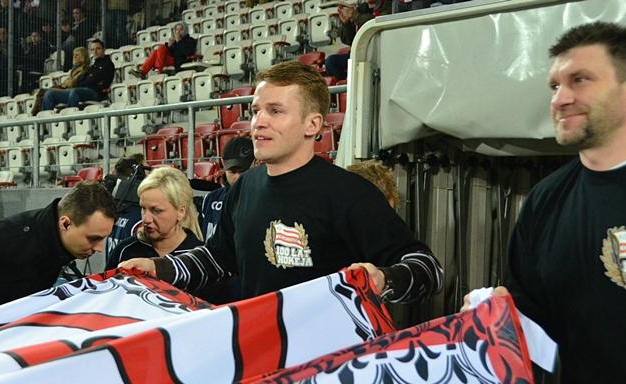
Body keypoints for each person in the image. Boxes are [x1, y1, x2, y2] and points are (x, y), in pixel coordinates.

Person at [463, 22, 626, 384]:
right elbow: (537, 317)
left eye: (580, 80)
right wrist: (499, 313)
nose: (560, 98)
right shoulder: (546, 201)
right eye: (554, 85)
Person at [121, 61, 443, 304]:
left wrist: (385, 279)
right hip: (262, 357)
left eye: (276, 111)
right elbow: (218, 258)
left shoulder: (349, 194)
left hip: (328, 370)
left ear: (312, 124)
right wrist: (159, 268)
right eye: (256, 110)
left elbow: (429, 269)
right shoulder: (245, 188)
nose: (259, 122)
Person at [0, 181, 116, 323]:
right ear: (65, 224)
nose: (100, 248)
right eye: (93, 238)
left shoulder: (52, 242)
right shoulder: (9, 238)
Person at [105, 167, 203, 270]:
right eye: (143, 208)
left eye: (156, 211)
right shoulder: (125, 250)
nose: (146, 219)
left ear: (180, 212)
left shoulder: (200, 258)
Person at [200, 136, 255, 241]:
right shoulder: (211, 199)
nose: (238, 177)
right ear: (224, 165)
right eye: (232, 172)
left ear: (256, 163)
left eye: (243, 171)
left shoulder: (266, 199)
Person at [41, 39, 115, 111]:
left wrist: (86, 80)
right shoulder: (93, 66)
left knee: (75, 92)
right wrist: (87, 80)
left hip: (96, 93)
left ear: (104, 49)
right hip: (81, 91)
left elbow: (92, 80)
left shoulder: (107, 65)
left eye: (98, 49)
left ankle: (69, 119)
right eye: (92, 49)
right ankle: (45, 122)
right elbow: (82, 80)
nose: (95, 52)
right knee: (50, 94)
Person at [324, 0, 373, 81]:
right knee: (331, 61)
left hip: (369, 53)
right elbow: (350, 41)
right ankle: (345, 84)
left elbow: (371, 20)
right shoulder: (358, 12)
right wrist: (346, 23)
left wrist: (355, 15)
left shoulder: (367, 12)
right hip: (355, 54)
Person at [31, 47, 89, 115]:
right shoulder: (74, 69)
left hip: (71, 91)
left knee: (49, 93)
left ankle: (38, 114)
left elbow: (72, 82)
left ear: (83, 57)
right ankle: (39, 114)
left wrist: (62, 85)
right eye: (74, 55)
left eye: (77, 55)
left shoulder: (84, 69)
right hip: (67, 89)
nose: (74, 57)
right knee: (42, 92)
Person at [131, 22, 195, 79]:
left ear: (185, 30)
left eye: (181, 29)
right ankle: (151, 71)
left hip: (180, 60)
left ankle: (145, 72)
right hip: (170, 59)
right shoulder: (174, 41)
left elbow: (187, 52)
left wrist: (179, 41)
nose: (178, 31)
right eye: (176, 29)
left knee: (159, 50)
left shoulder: (190, 40)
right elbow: (170, 52)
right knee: (159, 50)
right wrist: (169, 46)